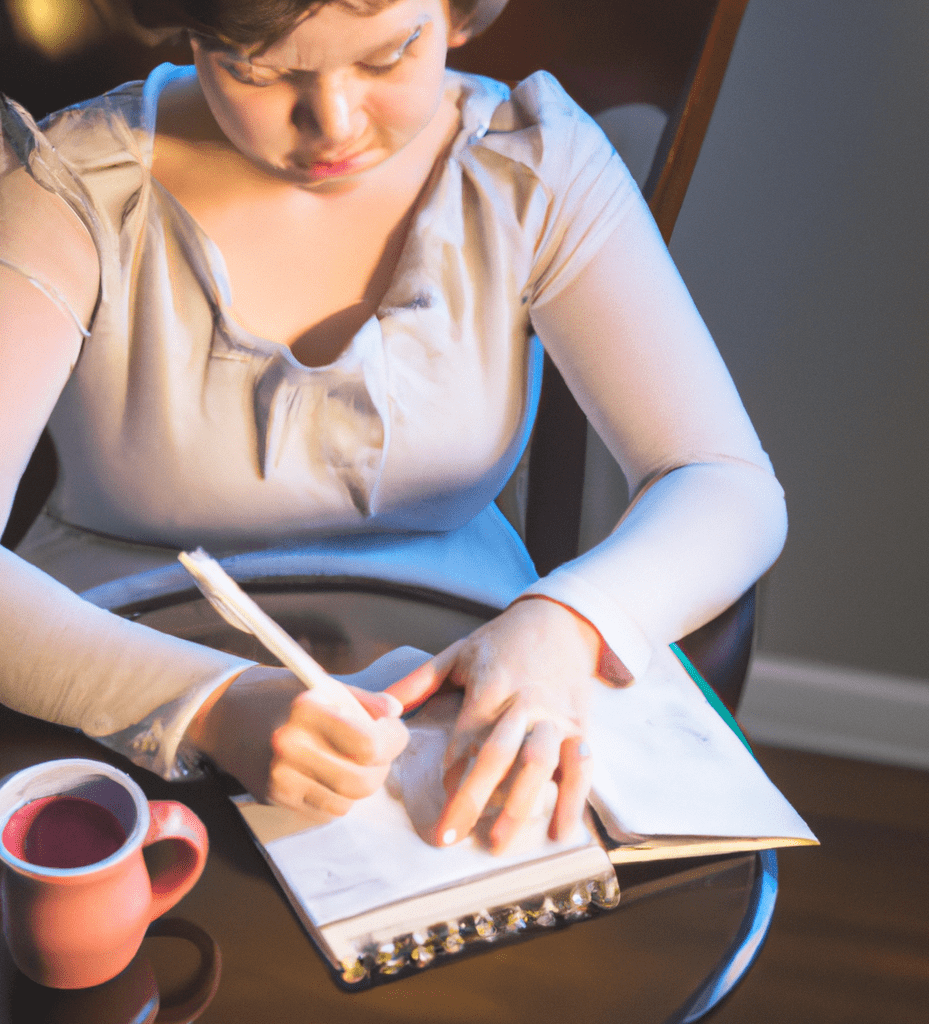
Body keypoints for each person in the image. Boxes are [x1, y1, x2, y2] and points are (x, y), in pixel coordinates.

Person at [0, 0, 786, 854]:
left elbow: (723, 481)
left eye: (388, 56)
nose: (332, 122)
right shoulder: (74, 183)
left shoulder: (530, 166)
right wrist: (215, 704)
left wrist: (572, 618)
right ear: (194, 32)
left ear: (455, 12)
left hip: (458, 698)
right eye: (260, 71)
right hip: (103, 704)